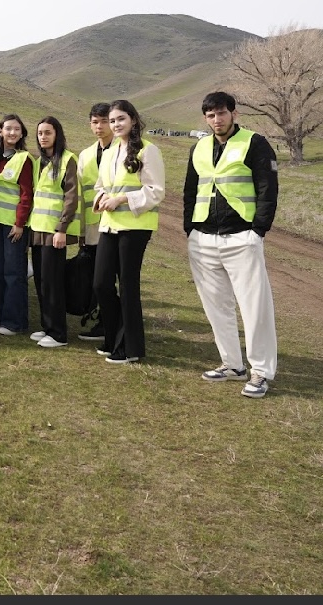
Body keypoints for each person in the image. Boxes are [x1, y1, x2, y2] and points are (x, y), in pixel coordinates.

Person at [183, 91, 279, 398]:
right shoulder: (199, 147)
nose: (216, 119)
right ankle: (232, 365)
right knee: (216, 306)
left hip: (242, 236)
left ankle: (260, 372)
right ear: (205, 118)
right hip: (203, 238)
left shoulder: (255, 143)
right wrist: (190, 229)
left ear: (234, 114)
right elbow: (190, 190)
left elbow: (267, 189)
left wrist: (258, 231)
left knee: (254, 307)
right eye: (210, 115)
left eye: (221, 113)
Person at [92, 99, 165, 364]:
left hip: (135, 227)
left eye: (121, 119)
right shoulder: (110, 152)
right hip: (110, 224)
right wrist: (101, 197)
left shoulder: (148, 150)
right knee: (101, 283)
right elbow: (101, 185)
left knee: (128, 286)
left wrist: (121, 199)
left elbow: (156, 191)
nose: (115, 124)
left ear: (133, 120)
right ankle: (113, 337)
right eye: (112, 121)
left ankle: (129, 348)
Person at [29, 117, 81, 348]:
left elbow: (71, 197)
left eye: (48, 132)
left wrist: (62, 229)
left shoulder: (68, 160)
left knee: (52, 282)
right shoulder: (39, 162)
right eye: (40, 133)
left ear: (57, 134)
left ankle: (58, 333)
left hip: (54, 231)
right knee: (41, 281)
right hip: (37, 229)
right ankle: (47, 326)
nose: (43, 137)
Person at [0, 114, 33, 338]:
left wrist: (20, 223)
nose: (12, 133)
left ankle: (15, 322)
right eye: (8, 129)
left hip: (14, 226)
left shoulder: (24, 159)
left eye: (16, 129)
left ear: (22, 133)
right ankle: (1, 316)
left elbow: (26, 194)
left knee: (13, 273)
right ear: (0, 131)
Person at [76, 102, 113, 341]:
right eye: (95, 122)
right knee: (95, 276)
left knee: (110, 278)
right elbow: (80, 194)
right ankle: (100, 319)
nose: (99, 126)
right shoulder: (86, 154)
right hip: (91, 225)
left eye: (104, 121)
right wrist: (80, 230)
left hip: (117, 222)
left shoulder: (123, 149)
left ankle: (110, 323)